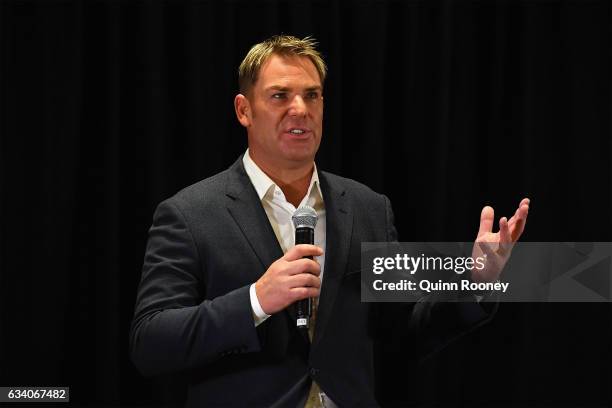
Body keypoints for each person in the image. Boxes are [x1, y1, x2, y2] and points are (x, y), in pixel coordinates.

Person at [130, 35, 530, 407]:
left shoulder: (368, 208)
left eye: (312, 95)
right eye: (280, 95)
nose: (300, 109)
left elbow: (401, 334)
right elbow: (151, 342)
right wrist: (255, 301)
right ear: (244, 110)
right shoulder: (190, 214)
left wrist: (476, 283)